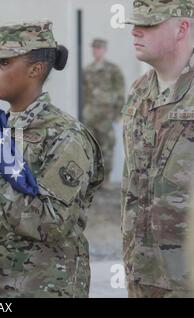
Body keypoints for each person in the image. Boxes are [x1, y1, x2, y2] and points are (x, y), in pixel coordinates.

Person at [0, 21, 104, 298]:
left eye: (4, 62)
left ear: (35, 70)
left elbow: (52, 223)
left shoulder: (66, 136)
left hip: (46, 289)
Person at [122, 0, 194, 297]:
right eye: (135, 24)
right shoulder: (139, 91)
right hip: (141, 270)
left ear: (182, 28)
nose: (136, 31)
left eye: (149, 24)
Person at [83, 38, 125, 186]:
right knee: (90, 147)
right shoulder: (87, 70)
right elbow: (84, 93)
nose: (96, 51)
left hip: (106, 115)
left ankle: (105, 179)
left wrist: (118, 113)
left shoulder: (113, 69)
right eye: (94, 48)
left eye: (99, 48)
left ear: (104, 50)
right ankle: (93, 179)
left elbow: (120, 92)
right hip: (90, 115)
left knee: (107, 146)